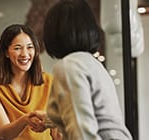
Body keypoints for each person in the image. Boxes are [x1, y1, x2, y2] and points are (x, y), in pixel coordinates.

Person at [43, 0, 133, 140]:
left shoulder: (68, 66)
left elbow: (81, 132)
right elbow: (96, 115)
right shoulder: (92, 63)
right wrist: (46, 119)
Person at [0, 24, 61, 140]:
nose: (25, 54)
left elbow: (57, 131)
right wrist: (26, 119)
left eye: (30, 47)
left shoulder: (50, 82)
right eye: (17, 48)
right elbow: (5, 133)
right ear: (6, 53)